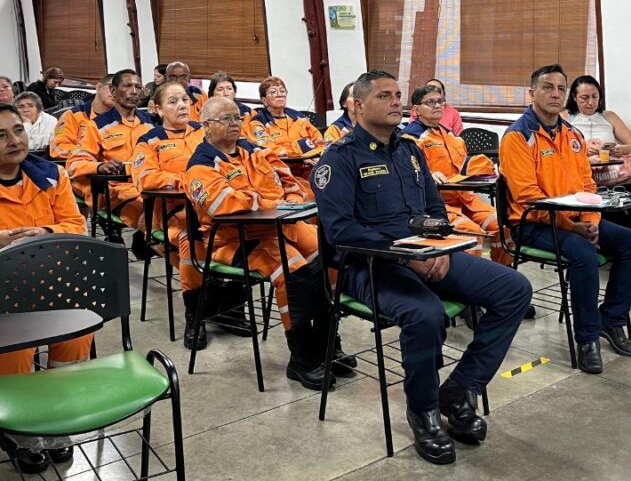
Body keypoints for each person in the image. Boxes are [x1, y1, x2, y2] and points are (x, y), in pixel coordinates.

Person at [313, 69, 531, 465]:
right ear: (359, 106)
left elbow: (434, 210)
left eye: (397, 94)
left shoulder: (410, 150)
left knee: (513, 289)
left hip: (427, 256)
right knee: (425, 314)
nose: (397, 101)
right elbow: (340, 231)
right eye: (385, 95)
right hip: (370, 266)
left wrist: (439, 247)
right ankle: (424, 410)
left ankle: (460, 389)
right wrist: (408, 257)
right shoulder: (338, 159)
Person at [184, 97, 354, 389]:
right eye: (226, 119)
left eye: (237, 117)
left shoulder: (254, 150)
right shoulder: (199, 166)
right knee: (293, 271)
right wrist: (269, 201)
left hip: (280, 225)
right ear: (207, 126)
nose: (235, 123)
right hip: (233, 239)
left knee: (333, 257)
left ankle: (328, 343)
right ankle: (302, 357)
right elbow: (224, 205)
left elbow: (288, 180)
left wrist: (290, 198)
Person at [500, 64, 631, 375]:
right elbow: (529, 198)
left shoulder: (573, 135)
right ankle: (587, 338)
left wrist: (591, 219)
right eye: (547, 87)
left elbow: (587, 186)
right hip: (532, 223)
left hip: (578, 219)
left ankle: (613, 319)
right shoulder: (517, 137)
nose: (555, 94)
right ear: (532, 94)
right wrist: (572, 226)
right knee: (583, 254)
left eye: (561, 89)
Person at [0, 104, 87, 474]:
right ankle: (17, 426)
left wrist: (46, 232)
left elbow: (76, 224)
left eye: (18, 130)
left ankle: (55, 415)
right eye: (0, 135)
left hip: (50, 282)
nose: (13, 141)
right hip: (3, 292)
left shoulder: (52, 175)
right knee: (15, 349)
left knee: (76, 335)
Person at [131, 82, 210, 349]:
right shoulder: (150, 141)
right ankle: (195, 315)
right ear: (157, 109)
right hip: (172, 217)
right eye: (173, 101)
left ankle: (232, 305)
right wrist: (186, 180)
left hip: (213, 211)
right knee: (192, 239)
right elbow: (145, 178)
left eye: (185, 100)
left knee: (242, 235)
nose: (182, 106)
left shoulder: (205, 131)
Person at [403, 84, 511, 266]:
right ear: (416, 110)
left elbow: (464, 167)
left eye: (440, 101)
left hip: (466, 199)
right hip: (441, 203)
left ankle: (502, 272)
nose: (437, 106)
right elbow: (407, 173)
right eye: (430, 102)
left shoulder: (452, 136)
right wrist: (428, 174)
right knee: (471, 234)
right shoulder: (410, 139)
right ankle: (469, 286)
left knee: (502, 224)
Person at [564, 75, 631, 248]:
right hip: (584, 181)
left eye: (595, 97)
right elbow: (557, 152)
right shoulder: (565, 118)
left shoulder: (609, 116)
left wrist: (618, 149)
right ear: (574, 98)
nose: (591, 102)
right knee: (615, 214)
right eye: (584, 98)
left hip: (613, 176)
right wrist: (582, 150)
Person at [67, 69, 153, 255]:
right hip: (116, 190)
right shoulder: (96, 126)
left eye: (138, 87)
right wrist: (99, 166)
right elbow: (74, 163)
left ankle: (148, 241)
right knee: (157, 218)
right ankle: (151, 240)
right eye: (127, 86)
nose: (134, 91)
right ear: (113, 91)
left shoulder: (151, 124)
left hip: (150, 186)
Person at [245, 76, 323, 156]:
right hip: (280, 166)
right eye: (273, 92)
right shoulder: (257, 123)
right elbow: (268, 149)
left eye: (282, 91)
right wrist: (301, 156)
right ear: (264, 100)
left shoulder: (299, 117)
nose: (280, 95)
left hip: (309, 163)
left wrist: (312, 155)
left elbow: (319, 141)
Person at [49, 74, 115, 161]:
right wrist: (90, 155)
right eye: (111, 88)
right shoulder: (72, 116)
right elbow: (58, 147)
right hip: (84, 170)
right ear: (99, 87)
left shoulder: (125, 119)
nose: (115, 93)